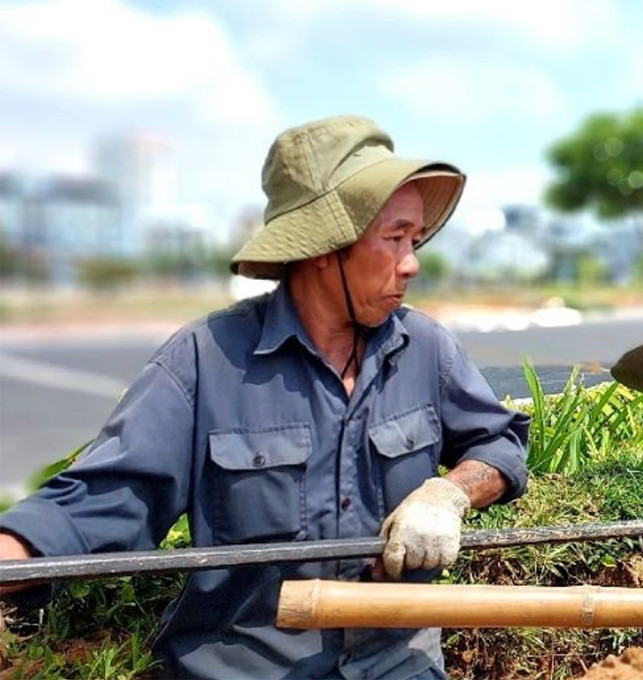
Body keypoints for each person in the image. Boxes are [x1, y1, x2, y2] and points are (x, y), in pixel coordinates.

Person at [0, 115, 531, 679]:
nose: (413, 261)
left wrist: (449, 494)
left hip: (396, 664)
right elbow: (103, 499)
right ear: (328, 246)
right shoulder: (206, 360)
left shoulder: (425, 348)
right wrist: (13, 555)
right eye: (394, 237)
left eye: (415, 239)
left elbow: (499, 443)